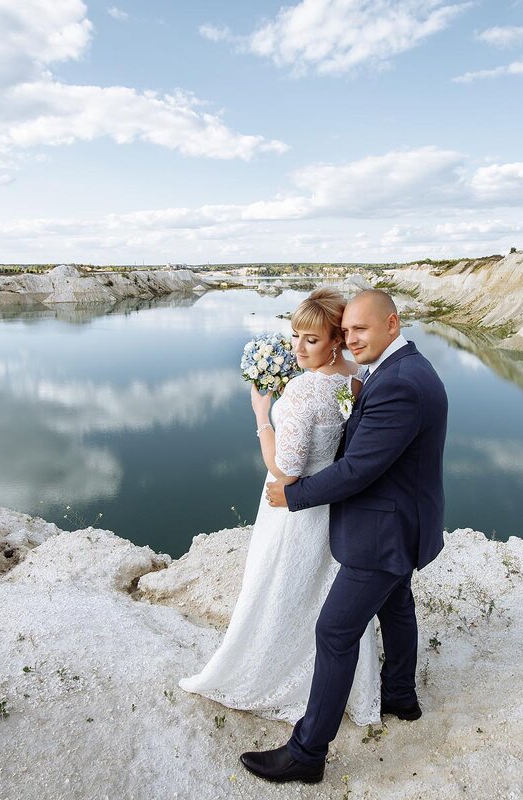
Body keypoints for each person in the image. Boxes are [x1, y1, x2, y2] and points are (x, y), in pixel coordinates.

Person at [241, 289, 448, 784]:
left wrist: (293, 497)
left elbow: (357, 469)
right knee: (397, 606)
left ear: (392, 324)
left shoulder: (399, 383)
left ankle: (307, 753)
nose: (352, 340)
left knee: (335, 633)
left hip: (384, 532)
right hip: (402, 522)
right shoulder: (396, 370)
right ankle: (401, 696)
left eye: (362, 330)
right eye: (348, 330)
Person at [179, 287, 381, 727]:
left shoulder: (304, 392)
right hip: (332, 503)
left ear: (335, 340)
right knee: (323, 589)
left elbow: (285, 470)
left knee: (278, 583)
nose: (298, 347)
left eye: (311, 339)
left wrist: (260, 416)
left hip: (293, 507)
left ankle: (272, 670)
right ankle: (338, 680)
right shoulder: (356, 379)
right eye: (294, 336)